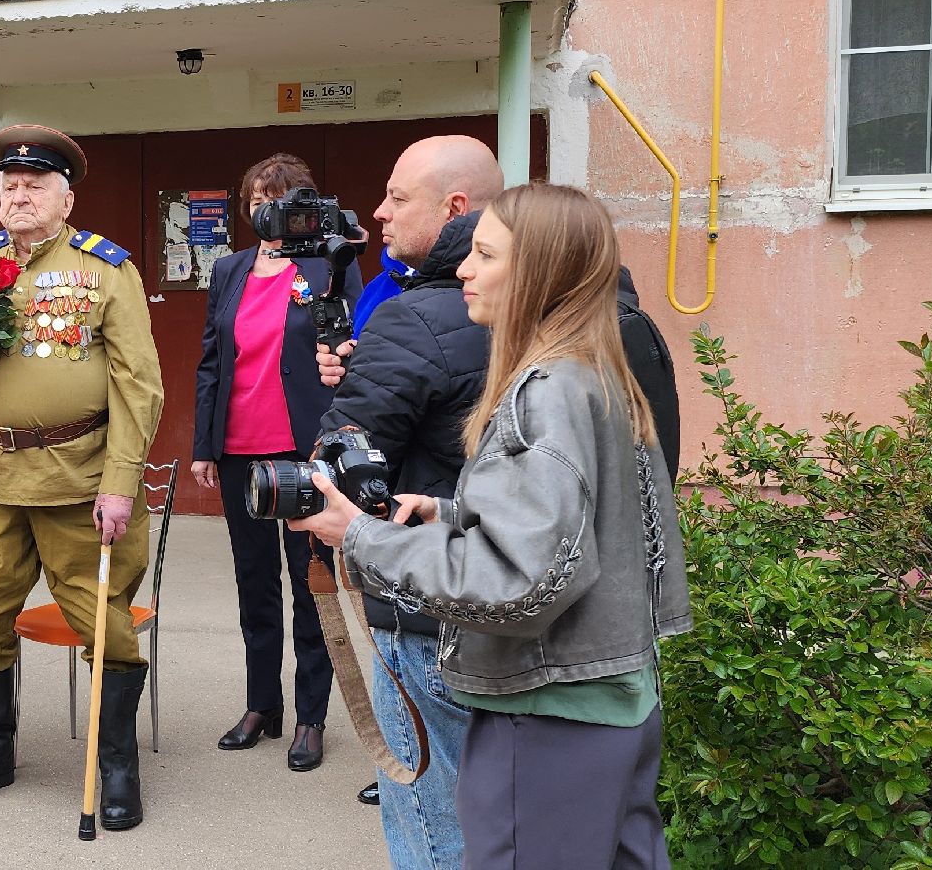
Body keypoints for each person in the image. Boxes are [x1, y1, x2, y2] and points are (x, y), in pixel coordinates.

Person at [295, 183, 692, 869]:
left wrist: (358, 535)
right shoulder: (596, 372)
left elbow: (518, 581)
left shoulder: (544, 392)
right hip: (614, 697)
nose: (461, 271)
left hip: (548, 715)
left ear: (539, 270)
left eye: (483, 255)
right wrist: (446, 513)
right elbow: (587, 527)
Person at [0, 124, 164, 829]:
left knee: (103, 628)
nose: (19, 196)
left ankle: (116, 764)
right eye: (9, 185)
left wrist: (119, 481)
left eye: (35, 186)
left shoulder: (103, 269)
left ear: (65, 196)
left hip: (81, 483)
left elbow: (138, 386)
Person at [316, 135, 505, 845]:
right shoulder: (606, 310)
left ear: (454, 207)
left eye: (396, 197)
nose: (379, 213)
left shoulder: (418, 313)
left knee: (435, 825)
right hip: (551, 616)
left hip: (433, 611)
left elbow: (340, 463)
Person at [189, 153, 359, 771]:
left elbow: (349, 343)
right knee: (253, 584)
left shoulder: (328, 263)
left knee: (309, 584)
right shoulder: (230, 268)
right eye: (256, 195)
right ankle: (263, 705)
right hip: (239, 448)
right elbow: (212, 359)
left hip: (302, 448)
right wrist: (205, 444)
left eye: (278, 196)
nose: (265, 206)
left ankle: (311, 717)